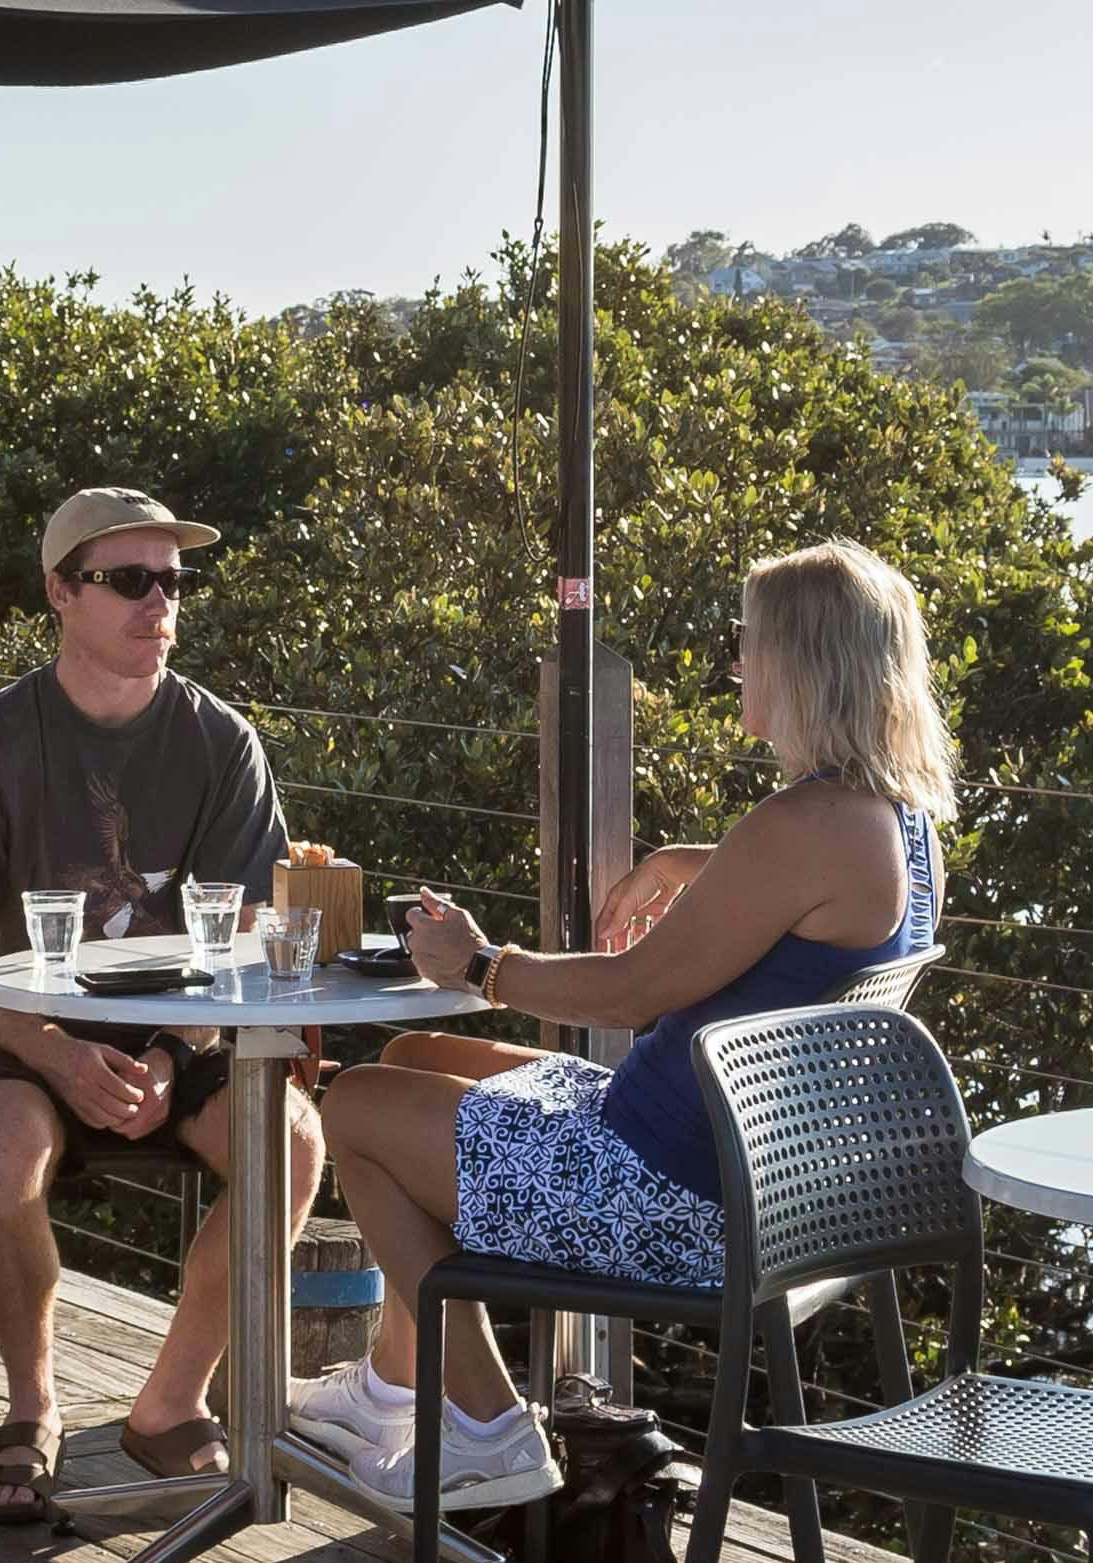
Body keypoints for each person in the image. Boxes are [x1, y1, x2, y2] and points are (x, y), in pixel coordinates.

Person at [291, 538, 952, 1512]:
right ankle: (394, 1384)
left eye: (747, 638)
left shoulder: (807, 825)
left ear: (805, 661)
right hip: (737, 1177)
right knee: (416, 1055)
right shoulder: (897, 821)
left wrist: (479, 962)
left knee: (357, 1105)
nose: (735, 658)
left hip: (666, 1200)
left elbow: (629, 993)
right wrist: (690, 861)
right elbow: (796, 913)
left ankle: (485, 1428)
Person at [0, 486, 322, 1527]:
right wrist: (54, 1054)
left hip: (180, 1031)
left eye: (173, 580)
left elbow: (247, 943)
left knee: (297, 1144)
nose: (159, 601)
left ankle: (168, 1400)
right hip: (15, 1031)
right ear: (60, 590)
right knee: (2, 1153)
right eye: (129, 579)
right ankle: (32, 1406)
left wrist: (177, 1061)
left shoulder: (224, 742)